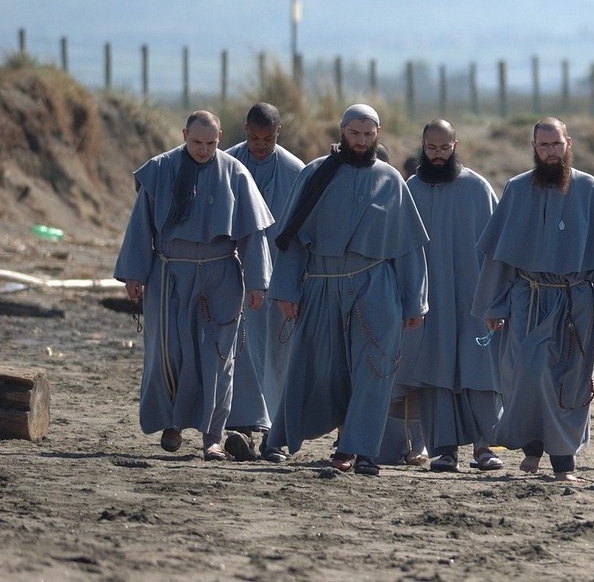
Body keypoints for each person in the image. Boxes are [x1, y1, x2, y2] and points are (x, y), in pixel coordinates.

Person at [265, 104, 429, 477]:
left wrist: (414, 302)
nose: (361, 141)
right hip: (322, 284)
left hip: (376, 287)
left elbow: (408, 246)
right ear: (342, 132)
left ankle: (360, 451)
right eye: (355, 134)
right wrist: (286, 290)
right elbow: (291, 239)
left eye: (368, 135)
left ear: (378, 134)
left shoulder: (391, 180)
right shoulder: (315, 174)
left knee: (374, 370)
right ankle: (281, 438)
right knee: (318, 368)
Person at [472, 116, 594, 480]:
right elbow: (499, 256)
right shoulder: (516, 189)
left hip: (576, 302)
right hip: (528, 299)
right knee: (527, 374)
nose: (551, 152)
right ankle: (533, 446)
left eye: (556, 144)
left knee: (570, 381)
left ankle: (563, 461)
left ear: (568, 144)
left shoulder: (590, 189)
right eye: (543, 145)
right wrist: (493, 305)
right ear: (534, 148)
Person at [114, 110, 273, 461]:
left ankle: (212, 437)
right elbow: (140, 225)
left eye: (211, 143)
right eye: (197, 142)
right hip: (169, 274)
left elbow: (252, 234)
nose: (204, 149)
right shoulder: (160, 169)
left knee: (218, 358)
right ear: (185, 134)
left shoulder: (235, 173)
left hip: (220, 277)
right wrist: (133, 273)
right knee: (169, 351)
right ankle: (171, 423)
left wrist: (258, 282)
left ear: (220, 138)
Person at [395, 119, 504, 472]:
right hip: (429, 303)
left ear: (455, 146)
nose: (438, 155)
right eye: (432, 148)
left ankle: (484, 447)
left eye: (445, 148)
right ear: (422, 147)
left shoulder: (477, 188)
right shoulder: (411, 189)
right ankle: (445, 451)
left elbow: (497, 251)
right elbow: (401, 248)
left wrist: (496, 299)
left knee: (480, 373)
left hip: (475, 303)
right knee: (434, 374)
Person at [221, 102, 306, 462]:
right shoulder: (226, 164)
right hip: (233, 276)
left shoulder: (296, 172)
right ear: (245, 131)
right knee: (236, 351)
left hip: (280, 281)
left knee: (277, 355)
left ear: (278, 133)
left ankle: (275, 433)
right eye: (254, 138)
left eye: (267, 139)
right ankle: (239, 427)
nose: (260, 145)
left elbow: (303, 233)